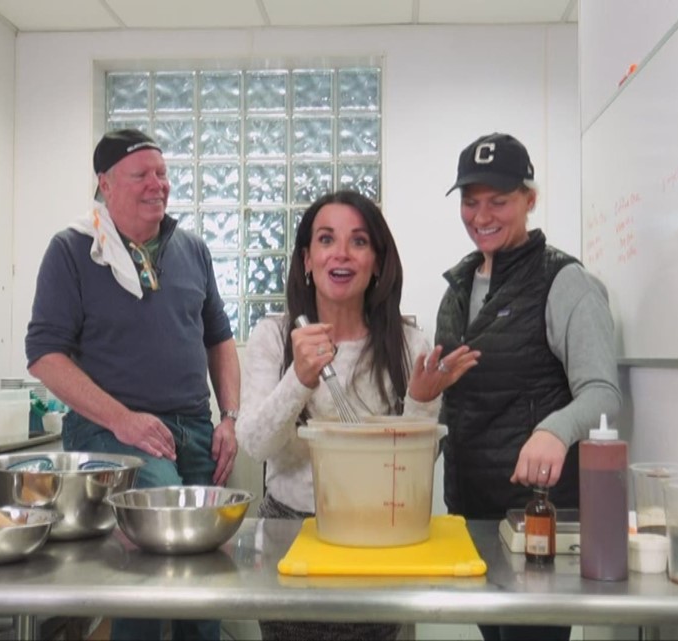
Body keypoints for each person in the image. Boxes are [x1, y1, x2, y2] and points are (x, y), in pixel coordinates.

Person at [25, 129, 239, 641]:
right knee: (158, 548)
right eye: (140, 174)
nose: (156, 185)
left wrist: (230, 417)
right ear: (105, 183)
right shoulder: (73, 250)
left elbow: (220, 339)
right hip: (112, 434)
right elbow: (44, 356)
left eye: (162, 173)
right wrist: (124, 420)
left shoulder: (192, 249)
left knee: (207, 565)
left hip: (193, 429)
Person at [236, 190, 479, 641]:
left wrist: (421, 402)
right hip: (290, 535)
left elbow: (412, 470)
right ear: (307, 260)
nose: (342, 254)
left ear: (377, 263)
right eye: (326, 240)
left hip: (378, 538)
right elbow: (253, 443)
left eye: (359, 242)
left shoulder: (407, 342)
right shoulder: (274, 334)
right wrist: (300, 378)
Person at [435, 133, 622, 641]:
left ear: (530, 199)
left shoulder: (565, 282)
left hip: (536, 521)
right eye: (471, 202)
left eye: (499, 201)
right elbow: (450, 402)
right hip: (470, 512)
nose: (482, 215)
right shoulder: (455, 291)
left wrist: (555, 431)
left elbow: (604, 393)